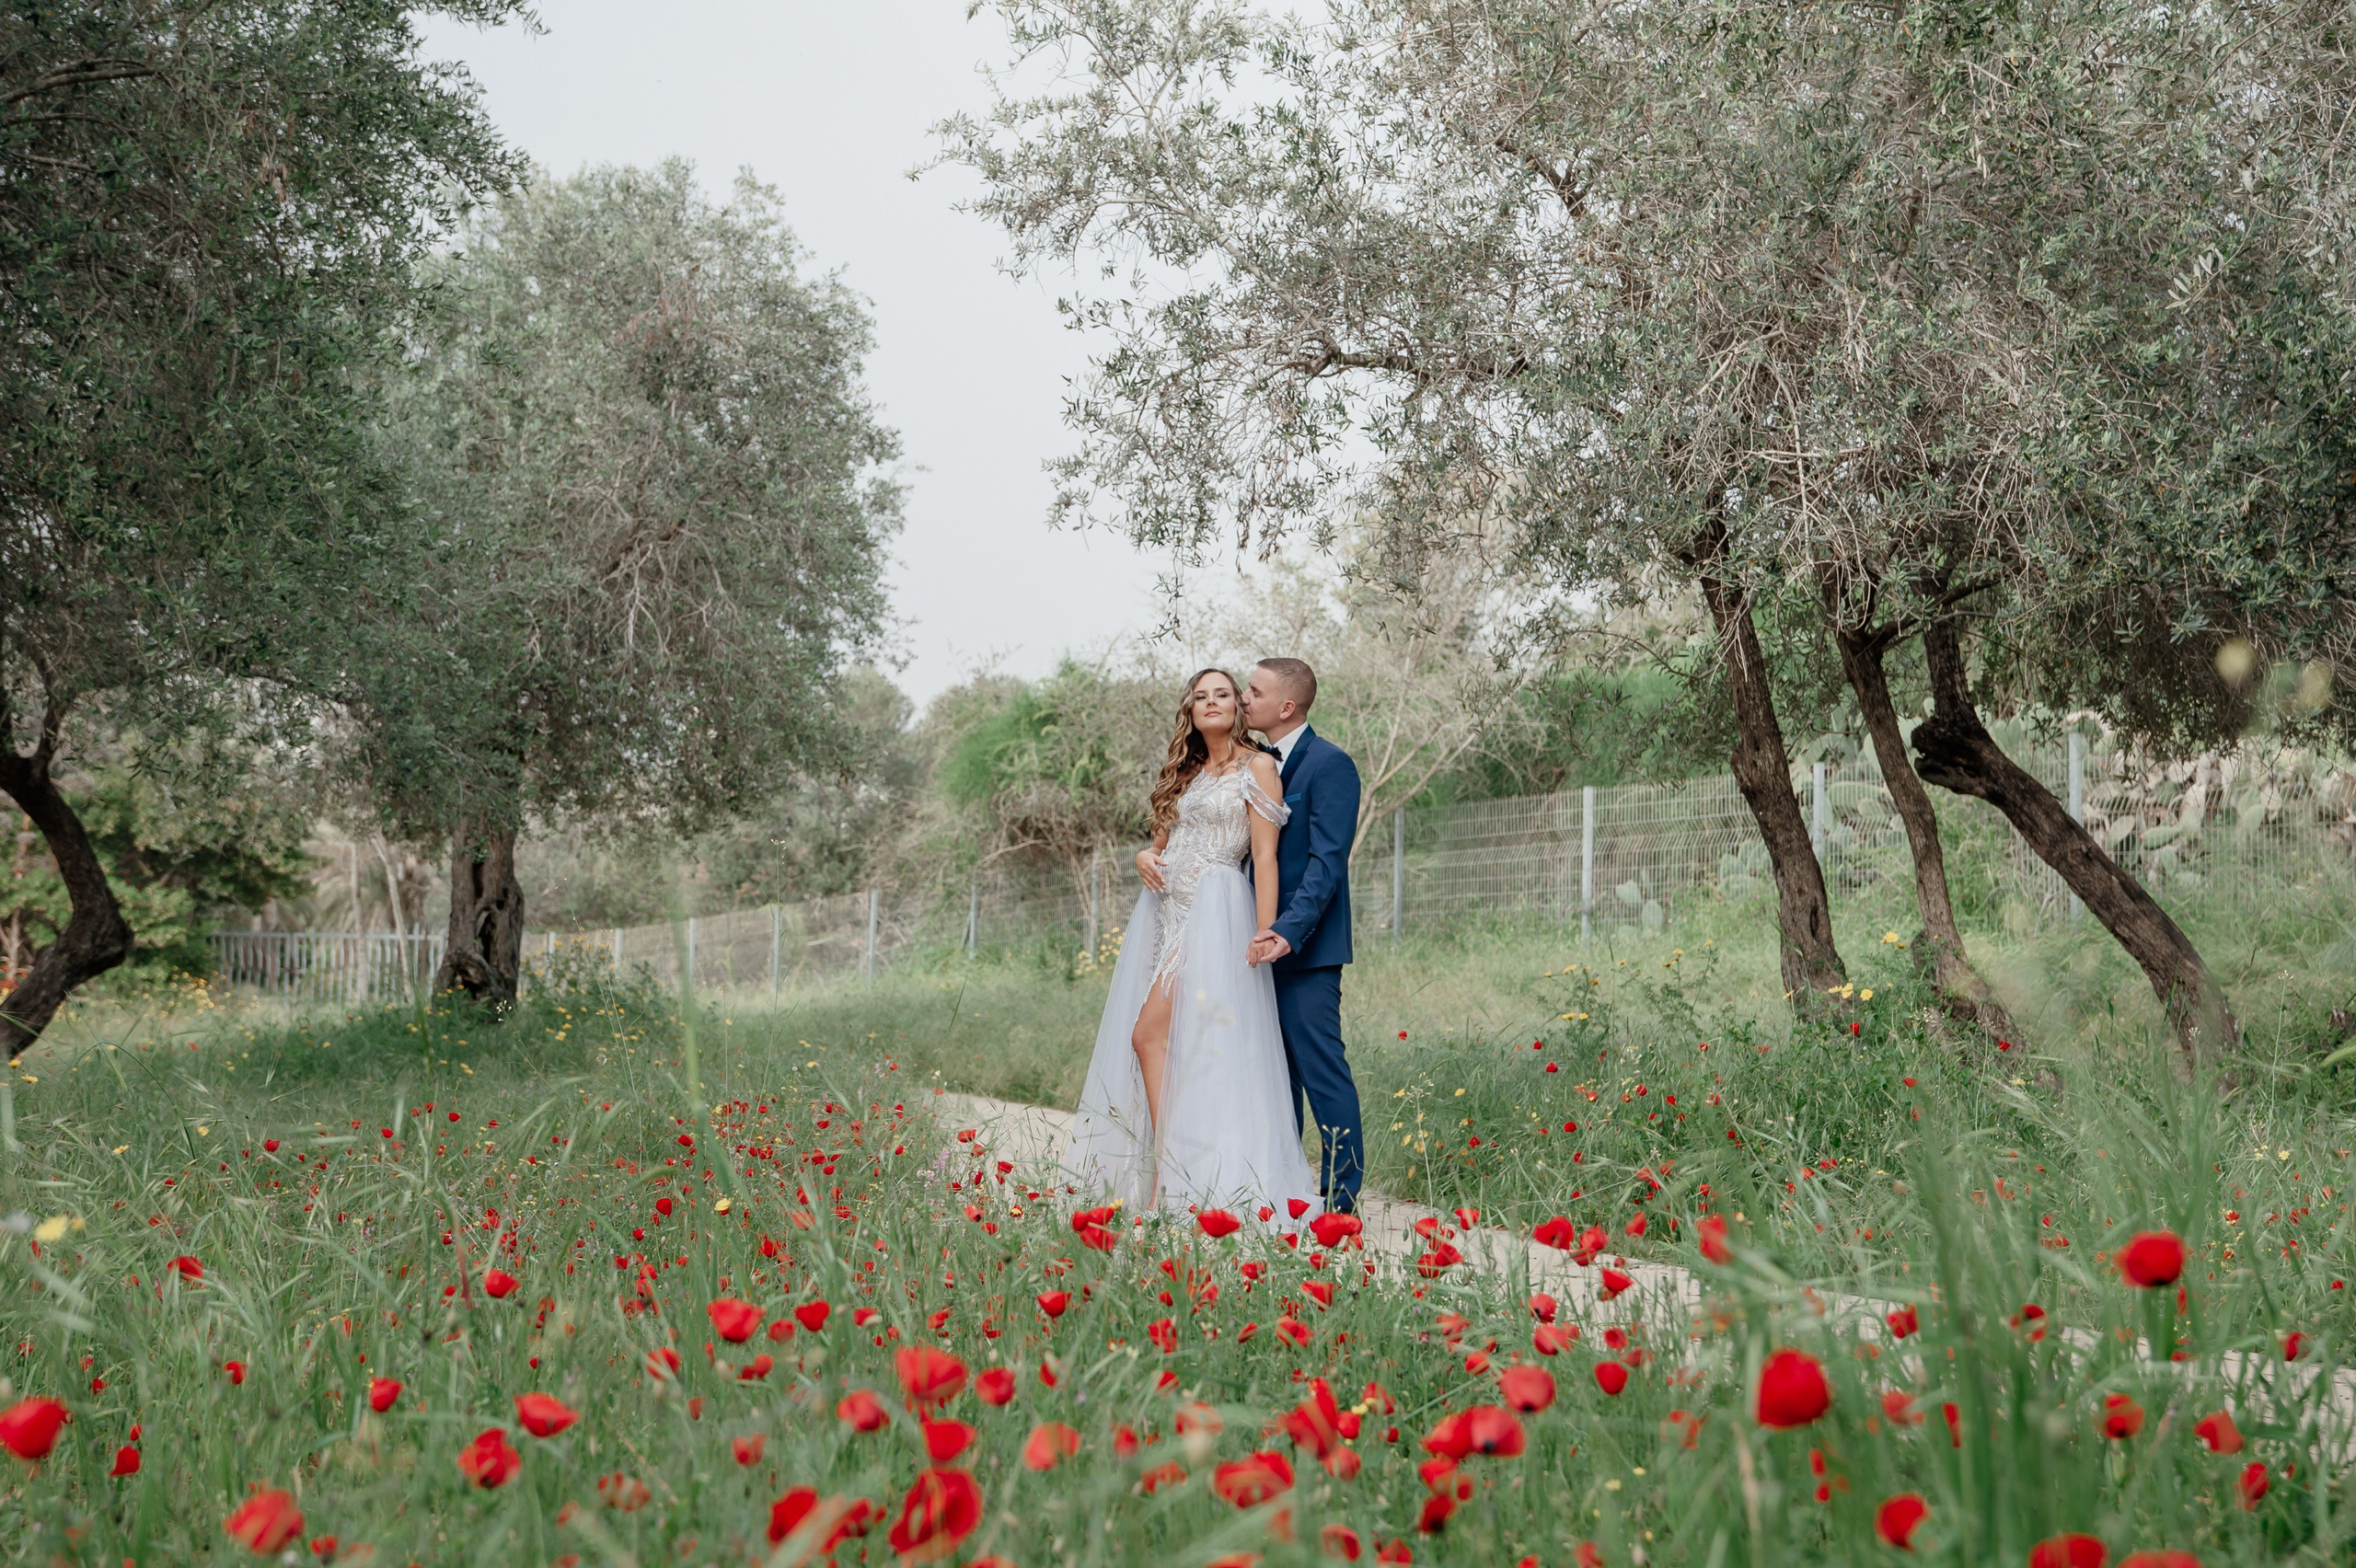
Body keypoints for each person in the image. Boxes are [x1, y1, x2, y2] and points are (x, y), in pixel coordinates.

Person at [1065, 668, 1321, 1216]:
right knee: (1174, 1045)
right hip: (1167, 914)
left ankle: (1168, 1169)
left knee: (1146, 1036)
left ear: (1237, 707)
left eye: (1223, 694)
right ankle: (1176, 1168)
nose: (1212, 702)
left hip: (1215, 913)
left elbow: (1266, 856)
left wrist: (1266, 929)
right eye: (1201, 696)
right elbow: (1160, 843)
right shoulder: (1188, 772)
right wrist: (1141, 856)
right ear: (1191, 709)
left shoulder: (1258, 766)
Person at [1238, 658, 1364, 1215]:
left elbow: (1326, 863)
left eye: (1255, 691)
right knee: (1272, 1076)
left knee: (1320, 1072)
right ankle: (1287, 1192)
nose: (1245, 698)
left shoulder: (1330, 765)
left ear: (1286, 706)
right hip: (1249, 947)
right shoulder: (1250, 764)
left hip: (1306, 950)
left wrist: (1286, 931)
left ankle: (1341, 1204)